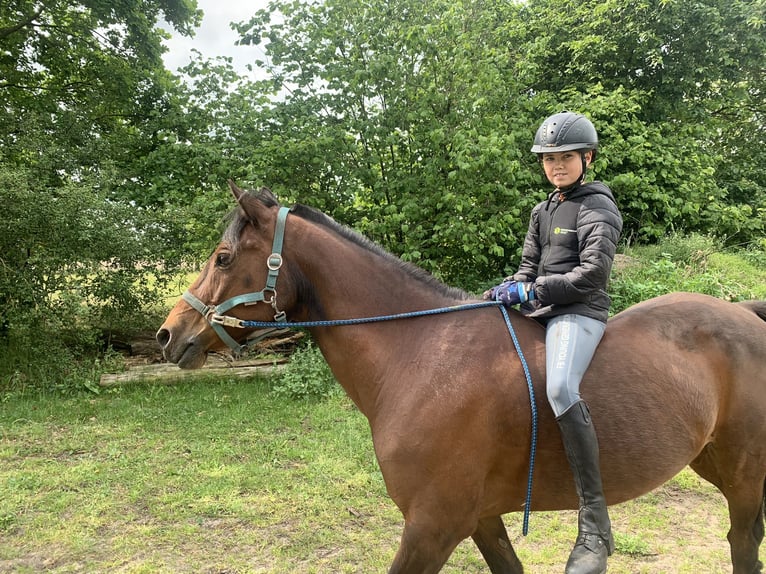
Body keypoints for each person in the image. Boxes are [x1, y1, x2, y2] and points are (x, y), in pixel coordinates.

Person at [484, 111, 623, 574]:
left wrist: (534, 290)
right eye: (548, 158)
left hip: (579, 312)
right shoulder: (542, 210)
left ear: (587, 157)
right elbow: (528, 267)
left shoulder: (598, 207)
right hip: (542, 309)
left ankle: (595, 526)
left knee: (561, 387)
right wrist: (509, 287)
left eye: (565, 157)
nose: (556, 166)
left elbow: (593, 274)